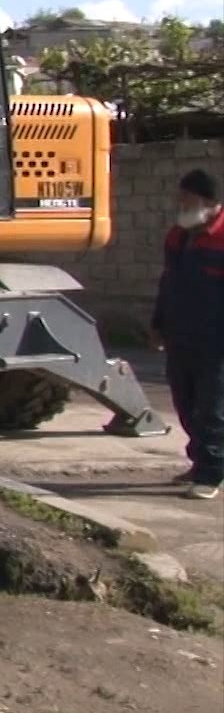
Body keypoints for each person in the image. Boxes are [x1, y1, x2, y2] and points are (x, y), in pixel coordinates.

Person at [150, 168, 224, 499]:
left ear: (210, 203)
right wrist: (158, 325)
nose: (180, 204)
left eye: (187, 198)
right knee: (185, 403)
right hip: (181, 335)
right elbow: (168, 284)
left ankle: (212, 474)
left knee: (213, 408)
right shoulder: (178, 236)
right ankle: (200, 463)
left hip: (216, 341)